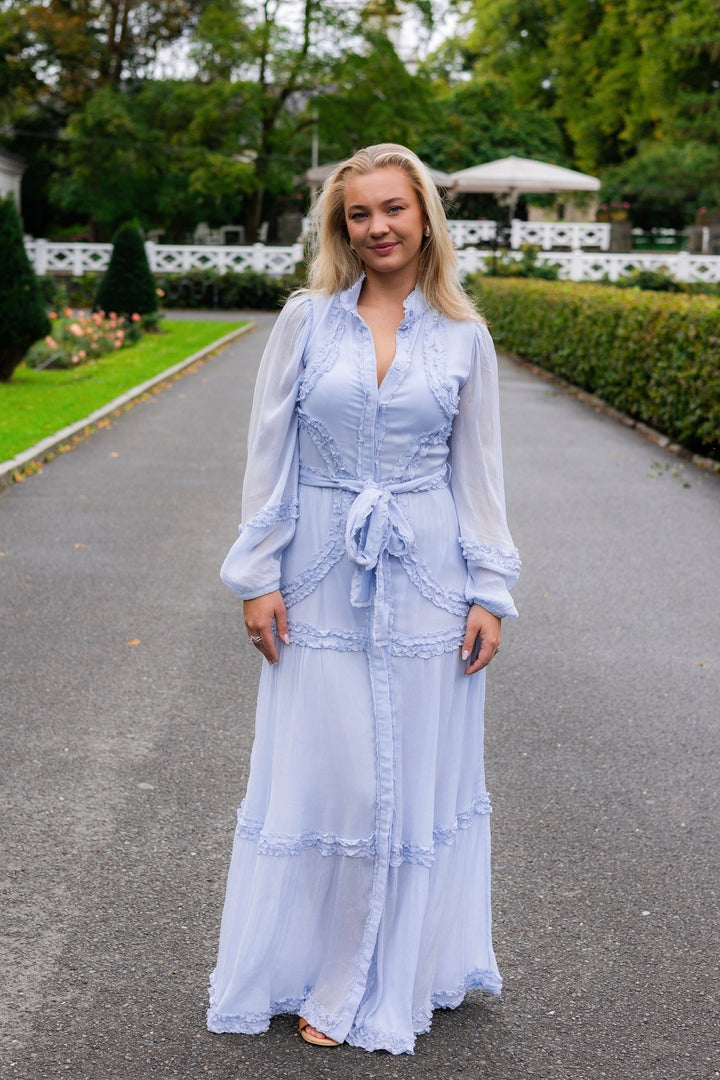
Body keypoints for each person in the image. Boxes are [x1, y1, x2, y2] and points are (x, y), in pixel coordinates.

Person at [207, 143, 520, 1055]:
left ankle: (380, 980)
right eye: (358, 214)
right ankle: (322, 966)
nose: (377, 227)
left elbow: (480, 473)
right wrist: (257, 575)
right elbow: (269, 456)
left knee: (410, 781)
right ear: (339, 227)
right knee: (338, 779)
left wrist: (489, 592)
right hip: (319, 576)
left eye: (393, 209)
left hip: (428, 580)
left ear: (424, 216)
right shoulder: (307, 321)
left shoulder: (465, 336)